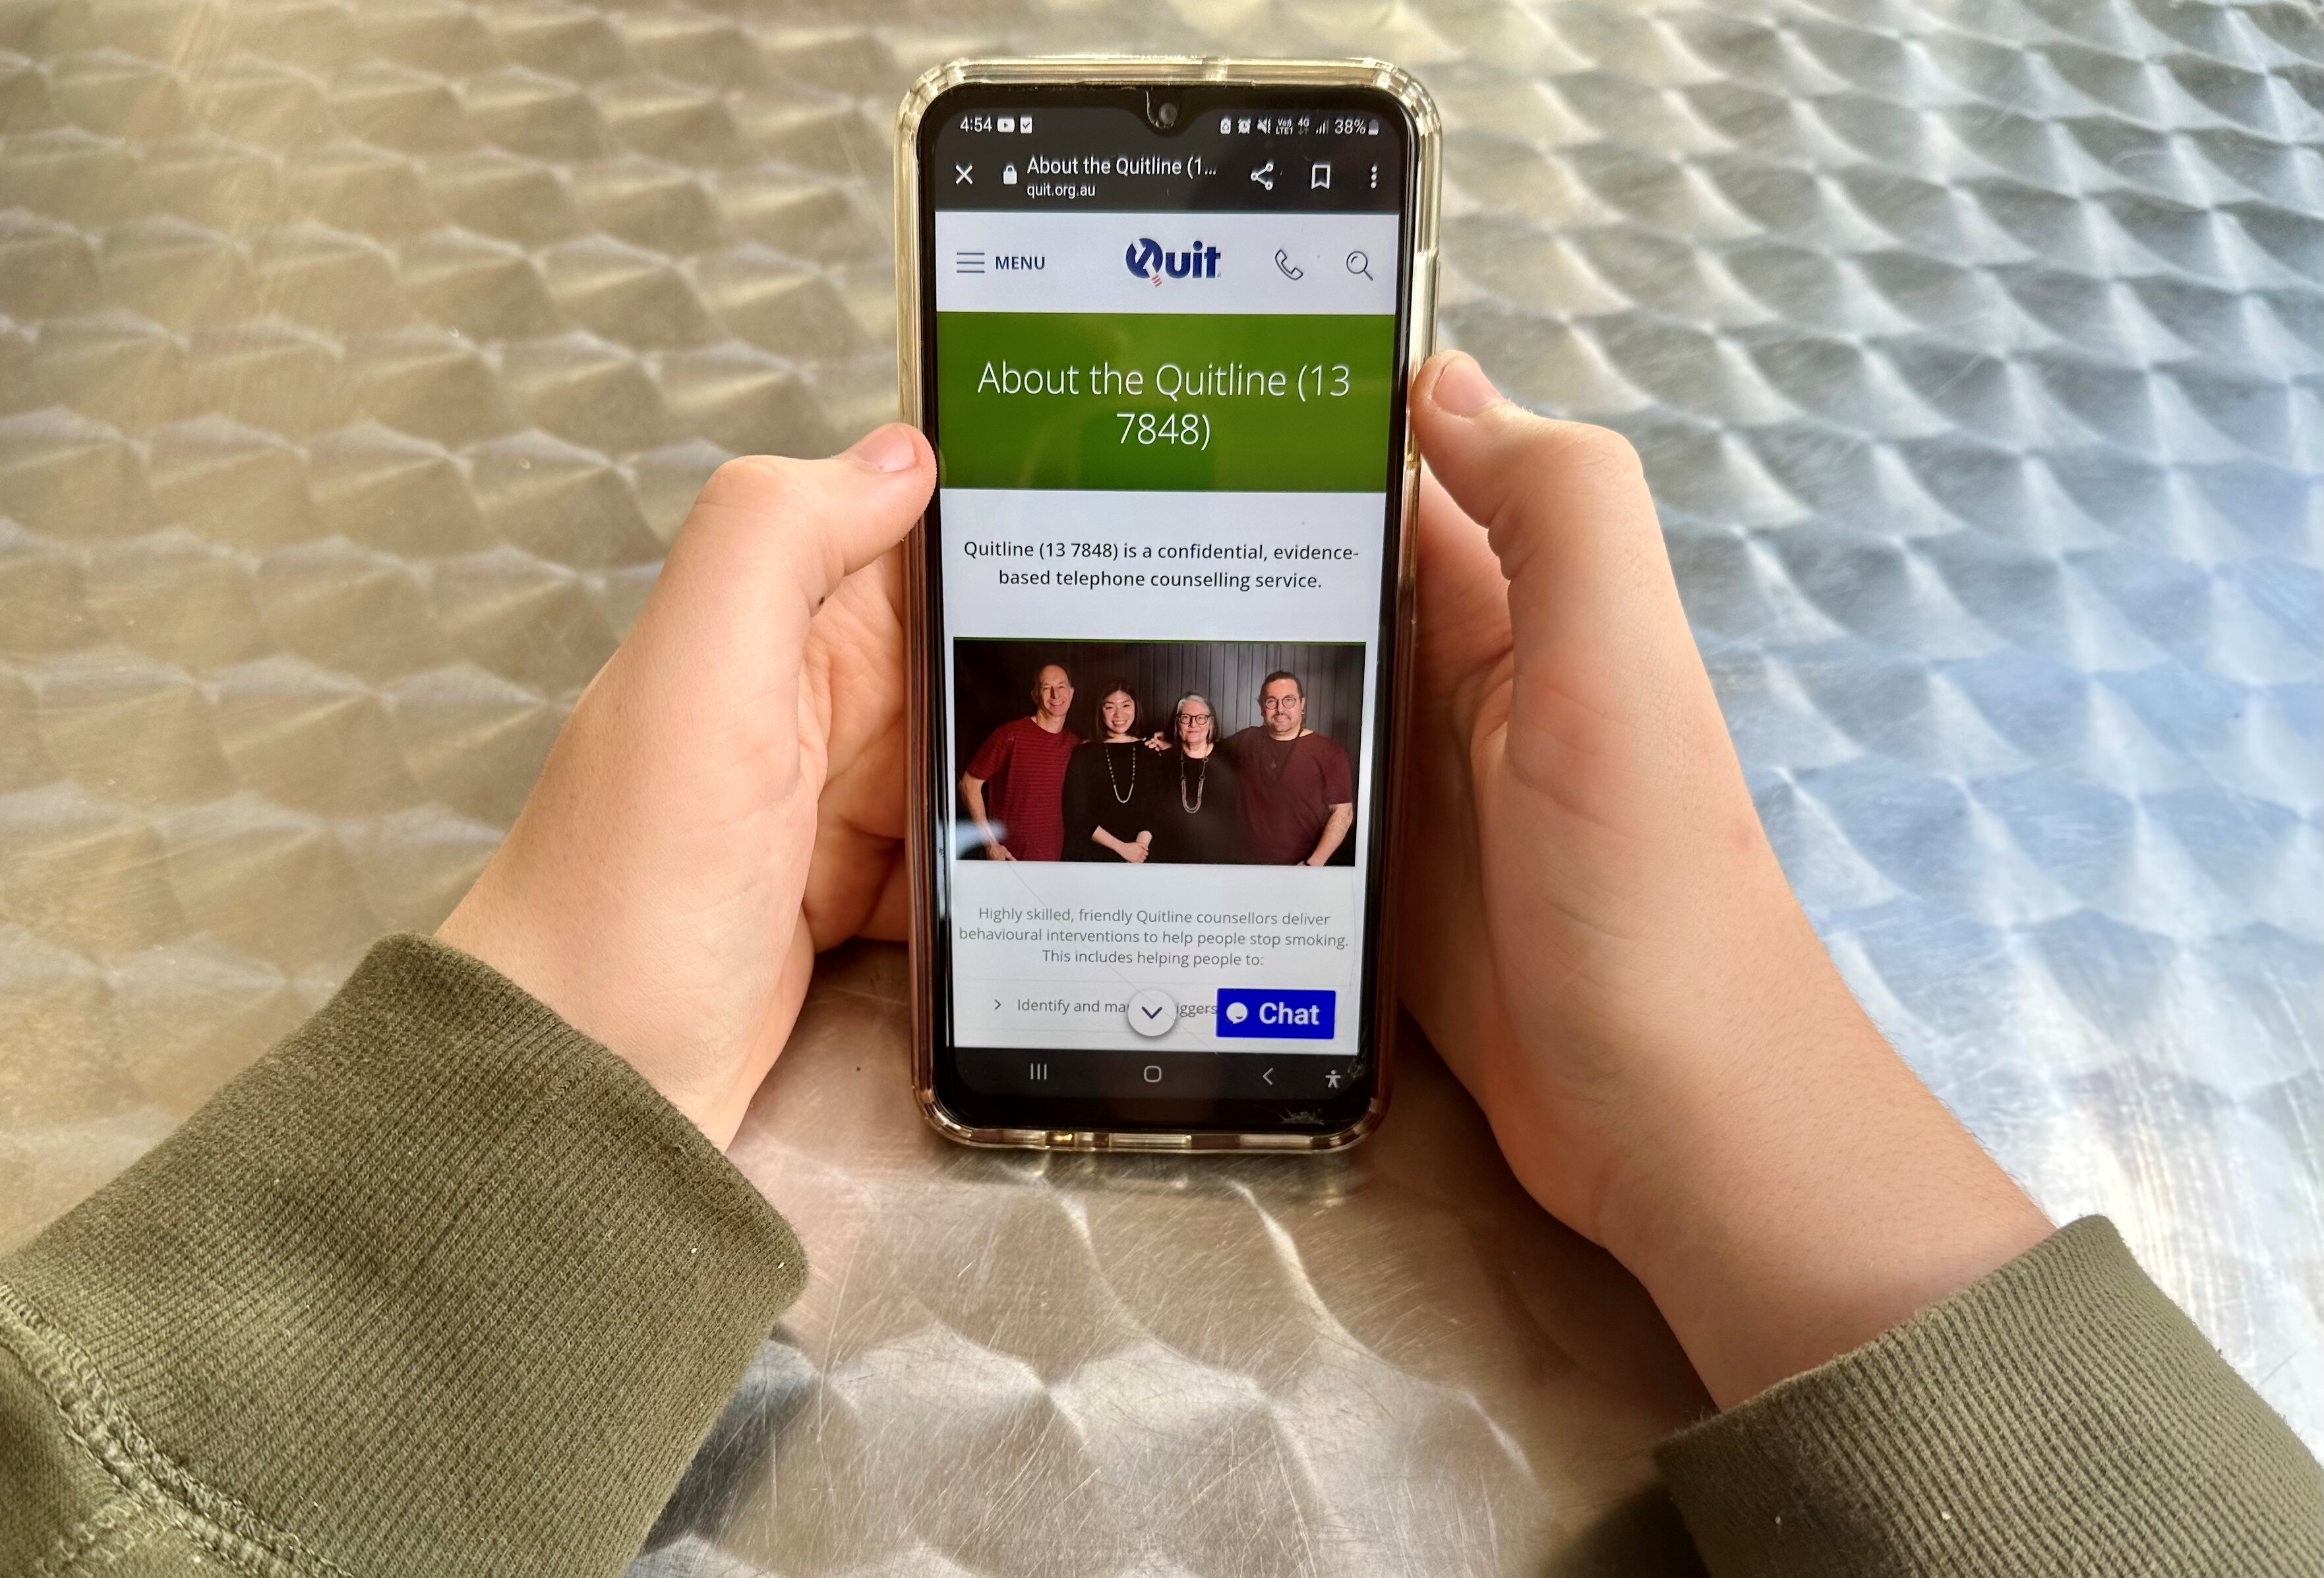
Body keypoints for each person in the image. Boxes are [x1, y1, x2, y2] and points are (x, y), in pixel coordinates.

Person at [1, 367, 2314, 1578]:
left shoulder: (1266, 755)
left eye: (1189, 706)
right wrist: (1735, 1118)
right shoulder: (1047, 738)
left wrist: (1702, 1084)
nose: (1154, 710)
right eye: (1121, 701)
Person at [1220, 671, 1354, 865]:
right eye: (1271, 701)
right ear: (1262, 707)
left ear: (1302, 704)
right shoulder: (1246, 740)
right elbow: (1203, 750)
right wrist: (1177, 739)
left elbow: (1343, 813)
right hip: (1242, 868)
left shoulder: (1329, 752)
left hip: (1300, 869)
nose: (1280, 709)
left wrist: (1313, 864)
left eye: (1289, 700)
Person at [960, 661, 1077, 860]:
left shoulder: (1074, 744)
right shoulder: (1010, 735)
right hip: (1007, 860)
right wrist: (991, 844)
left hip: (1052, 862)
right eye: (1046, 688)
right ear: (1035, 695)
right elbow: (968, 785)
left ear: (1072, 693)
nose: (1055, 695)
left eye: (1061, 687)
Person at [1061, 681, 1155, 863]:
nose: (1119, 714)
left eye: (1126, 706)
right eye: (1110, 707)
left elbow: (1156, 809)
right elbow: (1076, 814)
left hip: (1142, 856)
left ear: (1136, 707)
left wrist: (1139, 849)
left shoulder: (1151, 751)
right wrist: (1122, 848)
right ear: (1100, 711)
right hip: (1095, 856)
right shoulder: (1083, 753)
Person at [1147, 691, 1243, 864]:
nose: (1193, 724)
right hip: (1170, 858)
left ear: (1211, 722)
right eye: (1186, 718)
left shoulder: (1230, 757)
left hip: (1218, 858)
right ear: (1177, 722)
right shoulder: (1162, 760)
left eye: (1201, 718)